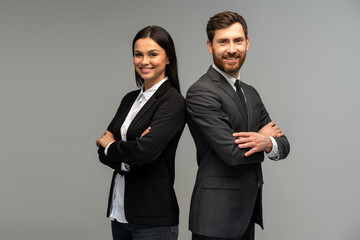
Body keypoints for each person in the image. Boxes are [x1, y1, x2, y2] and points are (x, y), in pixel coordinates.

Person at [186, 11, 290, 240]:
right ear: (209, 46)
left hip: (246, 214)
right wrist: (263, 140)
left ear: (247, 43)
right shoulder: (201, 92)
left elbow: (283, 145)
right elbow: (232, 153)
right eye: (223, 41)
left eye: (238, 40)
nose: (232, 49)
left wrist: (268, 141)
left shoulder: (251, 93)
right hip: (214, 218)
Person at [96, 25, 185, 240]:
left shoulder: (172, 102)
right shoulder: (129, 99)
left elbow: (144, 152)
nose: (144, 61)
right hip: (120, 214)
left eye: (153, 54)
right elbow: (102, 153)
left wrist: (111, 146)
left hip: (152, 219)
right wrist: (128, 154)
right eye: (138, 54)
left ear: (168, 58)